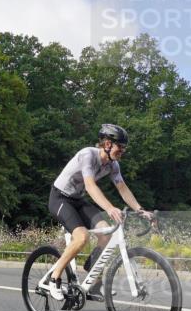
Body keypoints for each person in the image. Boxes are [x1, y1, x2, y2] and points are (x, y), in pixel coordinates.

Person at [41, 124, 151, 301]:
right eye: (120, 147)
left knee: (106, 232)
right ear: (107, 144)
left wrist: (140, 210)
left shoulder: (113, 165)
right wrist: (110, 208)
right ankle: (54, 278)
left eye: (124, 148)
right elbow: (90, 186)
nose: (122, 151)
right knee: (82, 237)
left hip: (77, 200)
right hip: (60, 198)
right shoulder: (88, 155)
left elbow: (123, 188)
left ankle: (93, 275)